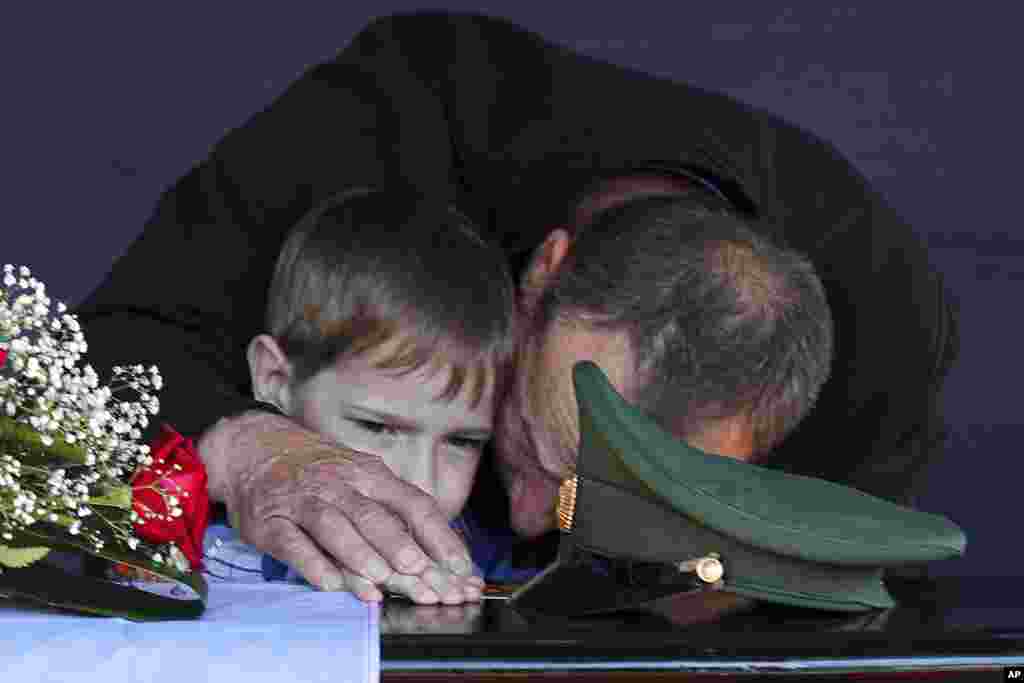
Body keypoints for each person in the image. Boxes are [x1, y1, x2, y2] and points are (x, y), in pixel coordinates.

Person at [74, 12, 959, 605]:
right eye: (537, 446)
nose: (536, 515)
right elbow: (110, 346)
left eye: (637, 490)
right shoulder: (399, 112)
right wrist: (252, 451)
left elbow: (862, 617)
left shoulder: (883, 345)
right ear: (542, 272)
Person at [238, 186, 516, 602]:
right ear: (275, 380)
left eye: (462, 441)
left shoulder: (492, 572)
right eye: (378, 426)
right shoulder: (188, 562)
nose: (421, 483)